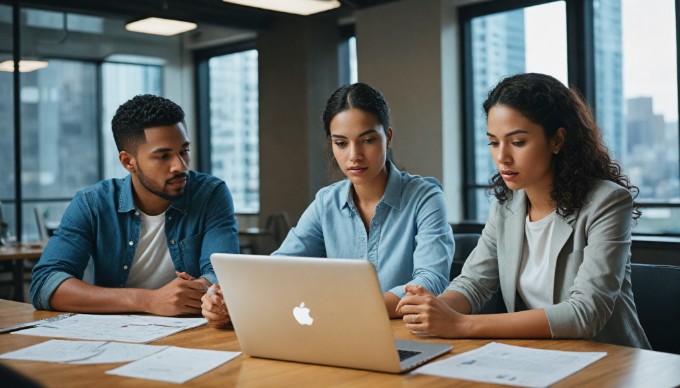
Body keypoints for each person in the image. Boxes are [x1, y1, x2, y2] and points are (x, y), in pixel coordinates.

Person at [396, 73, 650, 348]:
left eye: (517, 142)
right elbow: (473, 284)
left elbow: (585, 313)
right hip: (540, 356)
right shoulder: (506, 206)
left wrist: (459, 324)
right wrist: (434, 311)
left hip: (610, 360)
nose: (502, 157)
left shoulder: (608, 202)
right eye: (494, 142)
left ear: (557, 140)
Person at [201, 83, 454, 327]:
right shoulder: (327, 202)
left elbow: (430, 281)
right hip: (339, 330)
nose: (354, 155)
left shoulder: (425, 197)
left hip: (404, 332)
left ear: (387, 138)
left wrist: (349, 307)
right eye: (341, 143)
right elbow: (279, 268)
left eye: (367, 140)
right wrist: (226, 297)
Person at [30, 94, 239, 316]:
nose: (180, 166)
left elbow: (220, 274)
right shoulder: (92, 204)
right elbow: (46, 283)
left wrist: (210, 293)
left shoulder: (211, 194)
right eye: (163, 156)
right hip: (116, 334)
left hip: (191, 332)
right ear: (128, 161)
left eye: (184, 151)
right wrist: (149, 300)